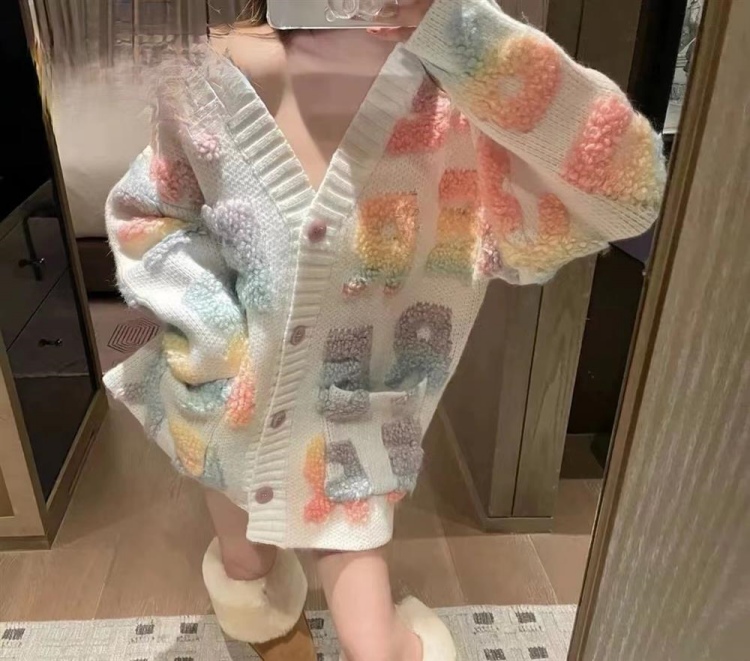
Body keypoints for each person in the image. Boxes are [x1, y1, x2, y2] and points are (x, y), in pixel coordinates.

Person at [103, 0, 666, 659]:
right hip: (221, 404)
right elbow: (154, 217)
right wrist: (212, 345)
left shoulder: (461, 95)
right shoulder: (212, 75)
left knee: (371, 640)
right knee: (245, 568)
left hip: (357, 428)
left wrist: (461, 31)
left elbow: (629, 191)